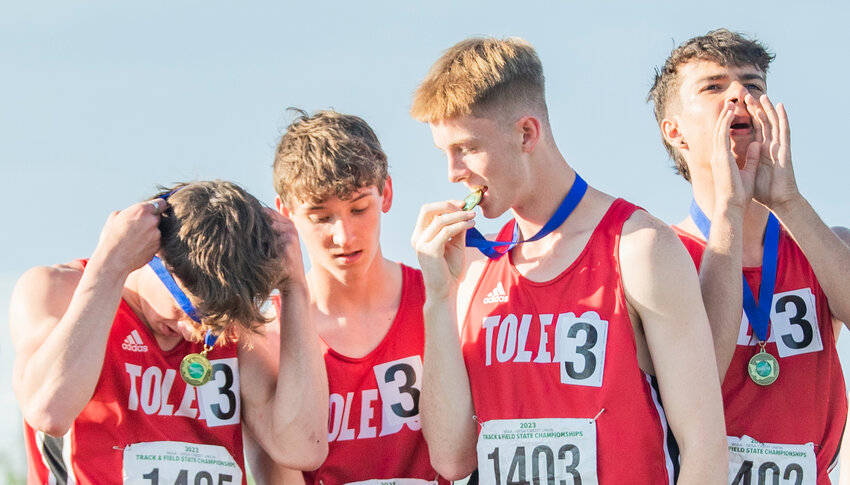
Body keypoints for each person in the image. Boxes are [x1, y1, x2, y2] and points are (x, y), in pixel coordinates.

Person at [408, 36, 727, 484]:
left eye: (466, 148)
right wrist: (438, 298)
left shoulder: (638, 246)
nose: (454, 172)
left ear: (526, 133)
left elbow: (705, 450)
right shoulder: (474, 266)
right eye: (445, 153)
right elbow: (450, 458)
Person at [10, 180, 328, 484]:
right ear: (153, 253)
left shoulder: (223, 329)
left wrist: (295, 287)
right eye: (191, 310)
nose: (196, 334)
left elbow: (303, 447)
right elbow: (48, 410)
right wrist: (110, 264)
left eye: (212, 323)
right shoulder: (56, 289)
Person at [648, 28, 850, 484]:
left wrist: (790, 202)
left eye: (753, 85)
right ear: (675, 131)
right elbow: (699, 379)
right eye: (714, 86)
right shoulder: (657, 254)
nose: (740, 93)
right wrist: (729, 212)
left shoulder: (821, 245)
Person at [247, 109, 448, 484]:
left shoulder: (439, 301)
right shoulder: (267, 337)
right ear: (285, 213)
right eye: (321, 217)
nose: (345, 236)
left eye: (359, 208)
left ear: (386, 193)